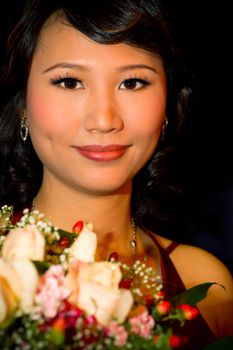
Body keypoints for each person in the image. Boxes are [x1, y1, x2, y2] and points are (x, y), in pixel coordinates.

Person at [0, 0, 232, 348]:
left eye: (133, 83)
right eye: (69, 82)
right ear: (22, 105)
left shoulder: (208, 286)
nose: (104, 120)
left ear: (167, 107)